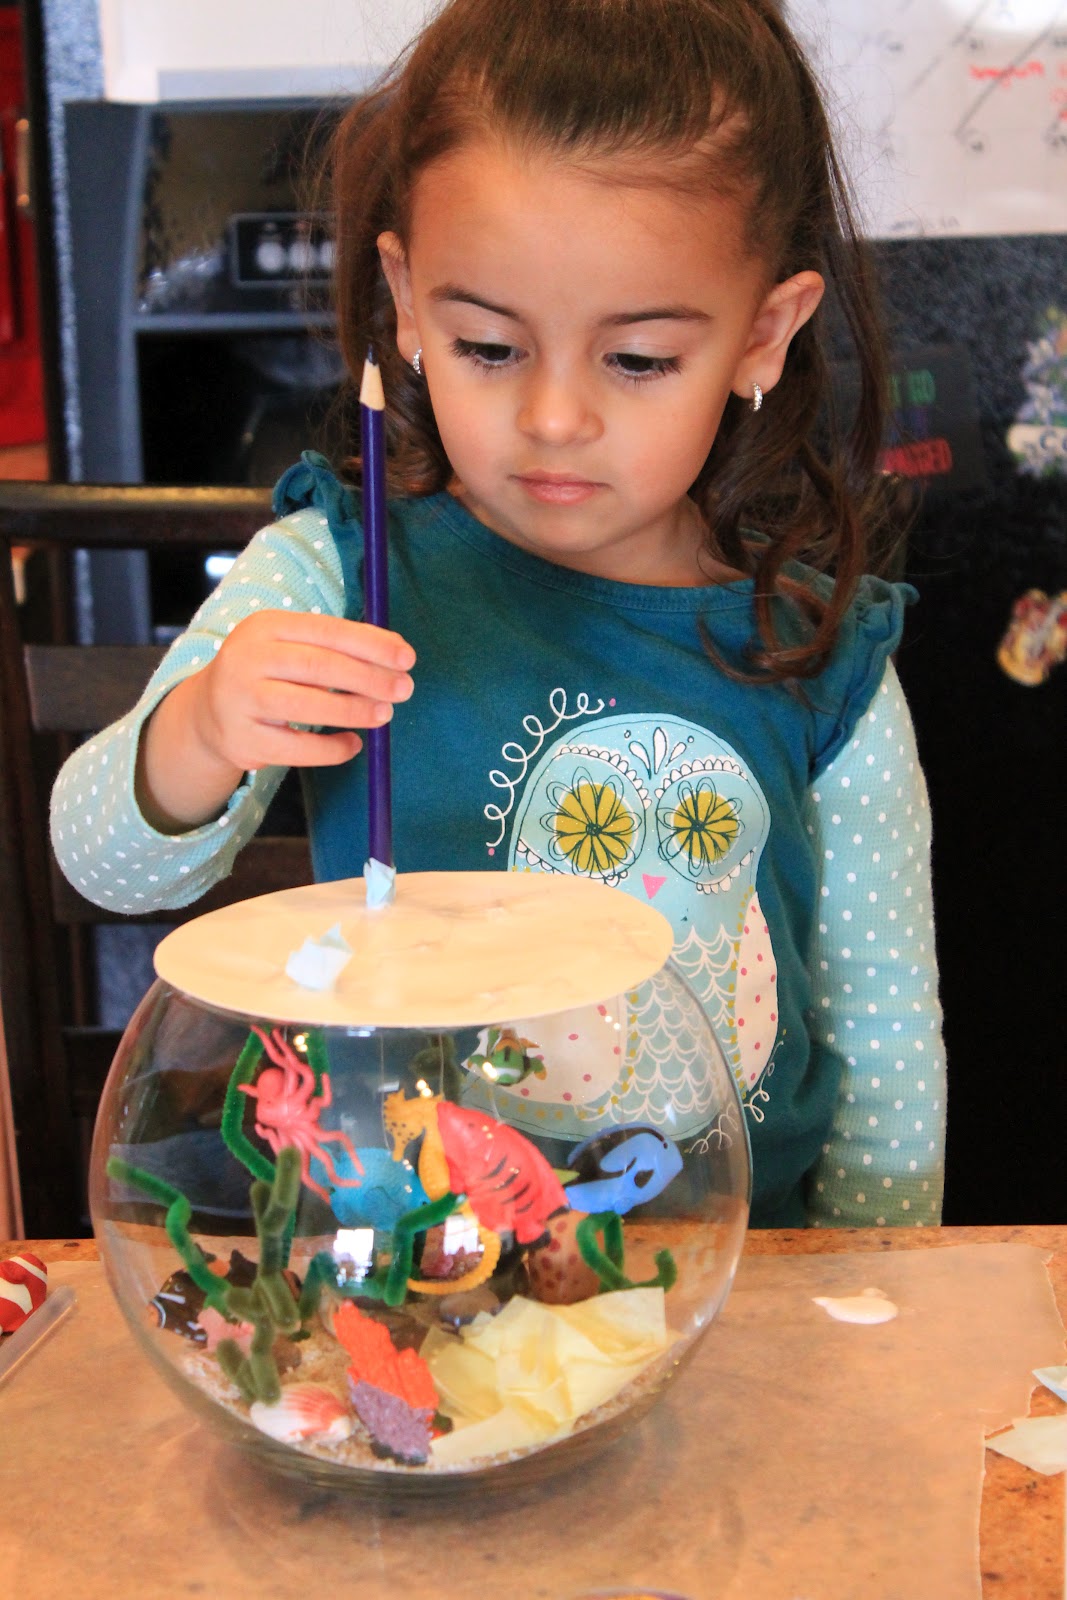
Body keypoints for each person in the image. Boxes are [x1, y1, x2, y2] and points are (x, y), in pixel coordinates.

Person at [51, 0, 944, 1230]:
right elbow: (103, 861)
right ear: (408, 303)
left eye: (635, 360)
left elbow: (885, 1033)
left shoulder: (821, 653)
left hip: (744, 1288)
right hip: (391, 1278)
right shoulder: (331, 572)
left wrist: (874, 1290)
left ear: (762, 333)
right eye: (487, 346)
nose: (554, 420)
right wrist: (203, 728)